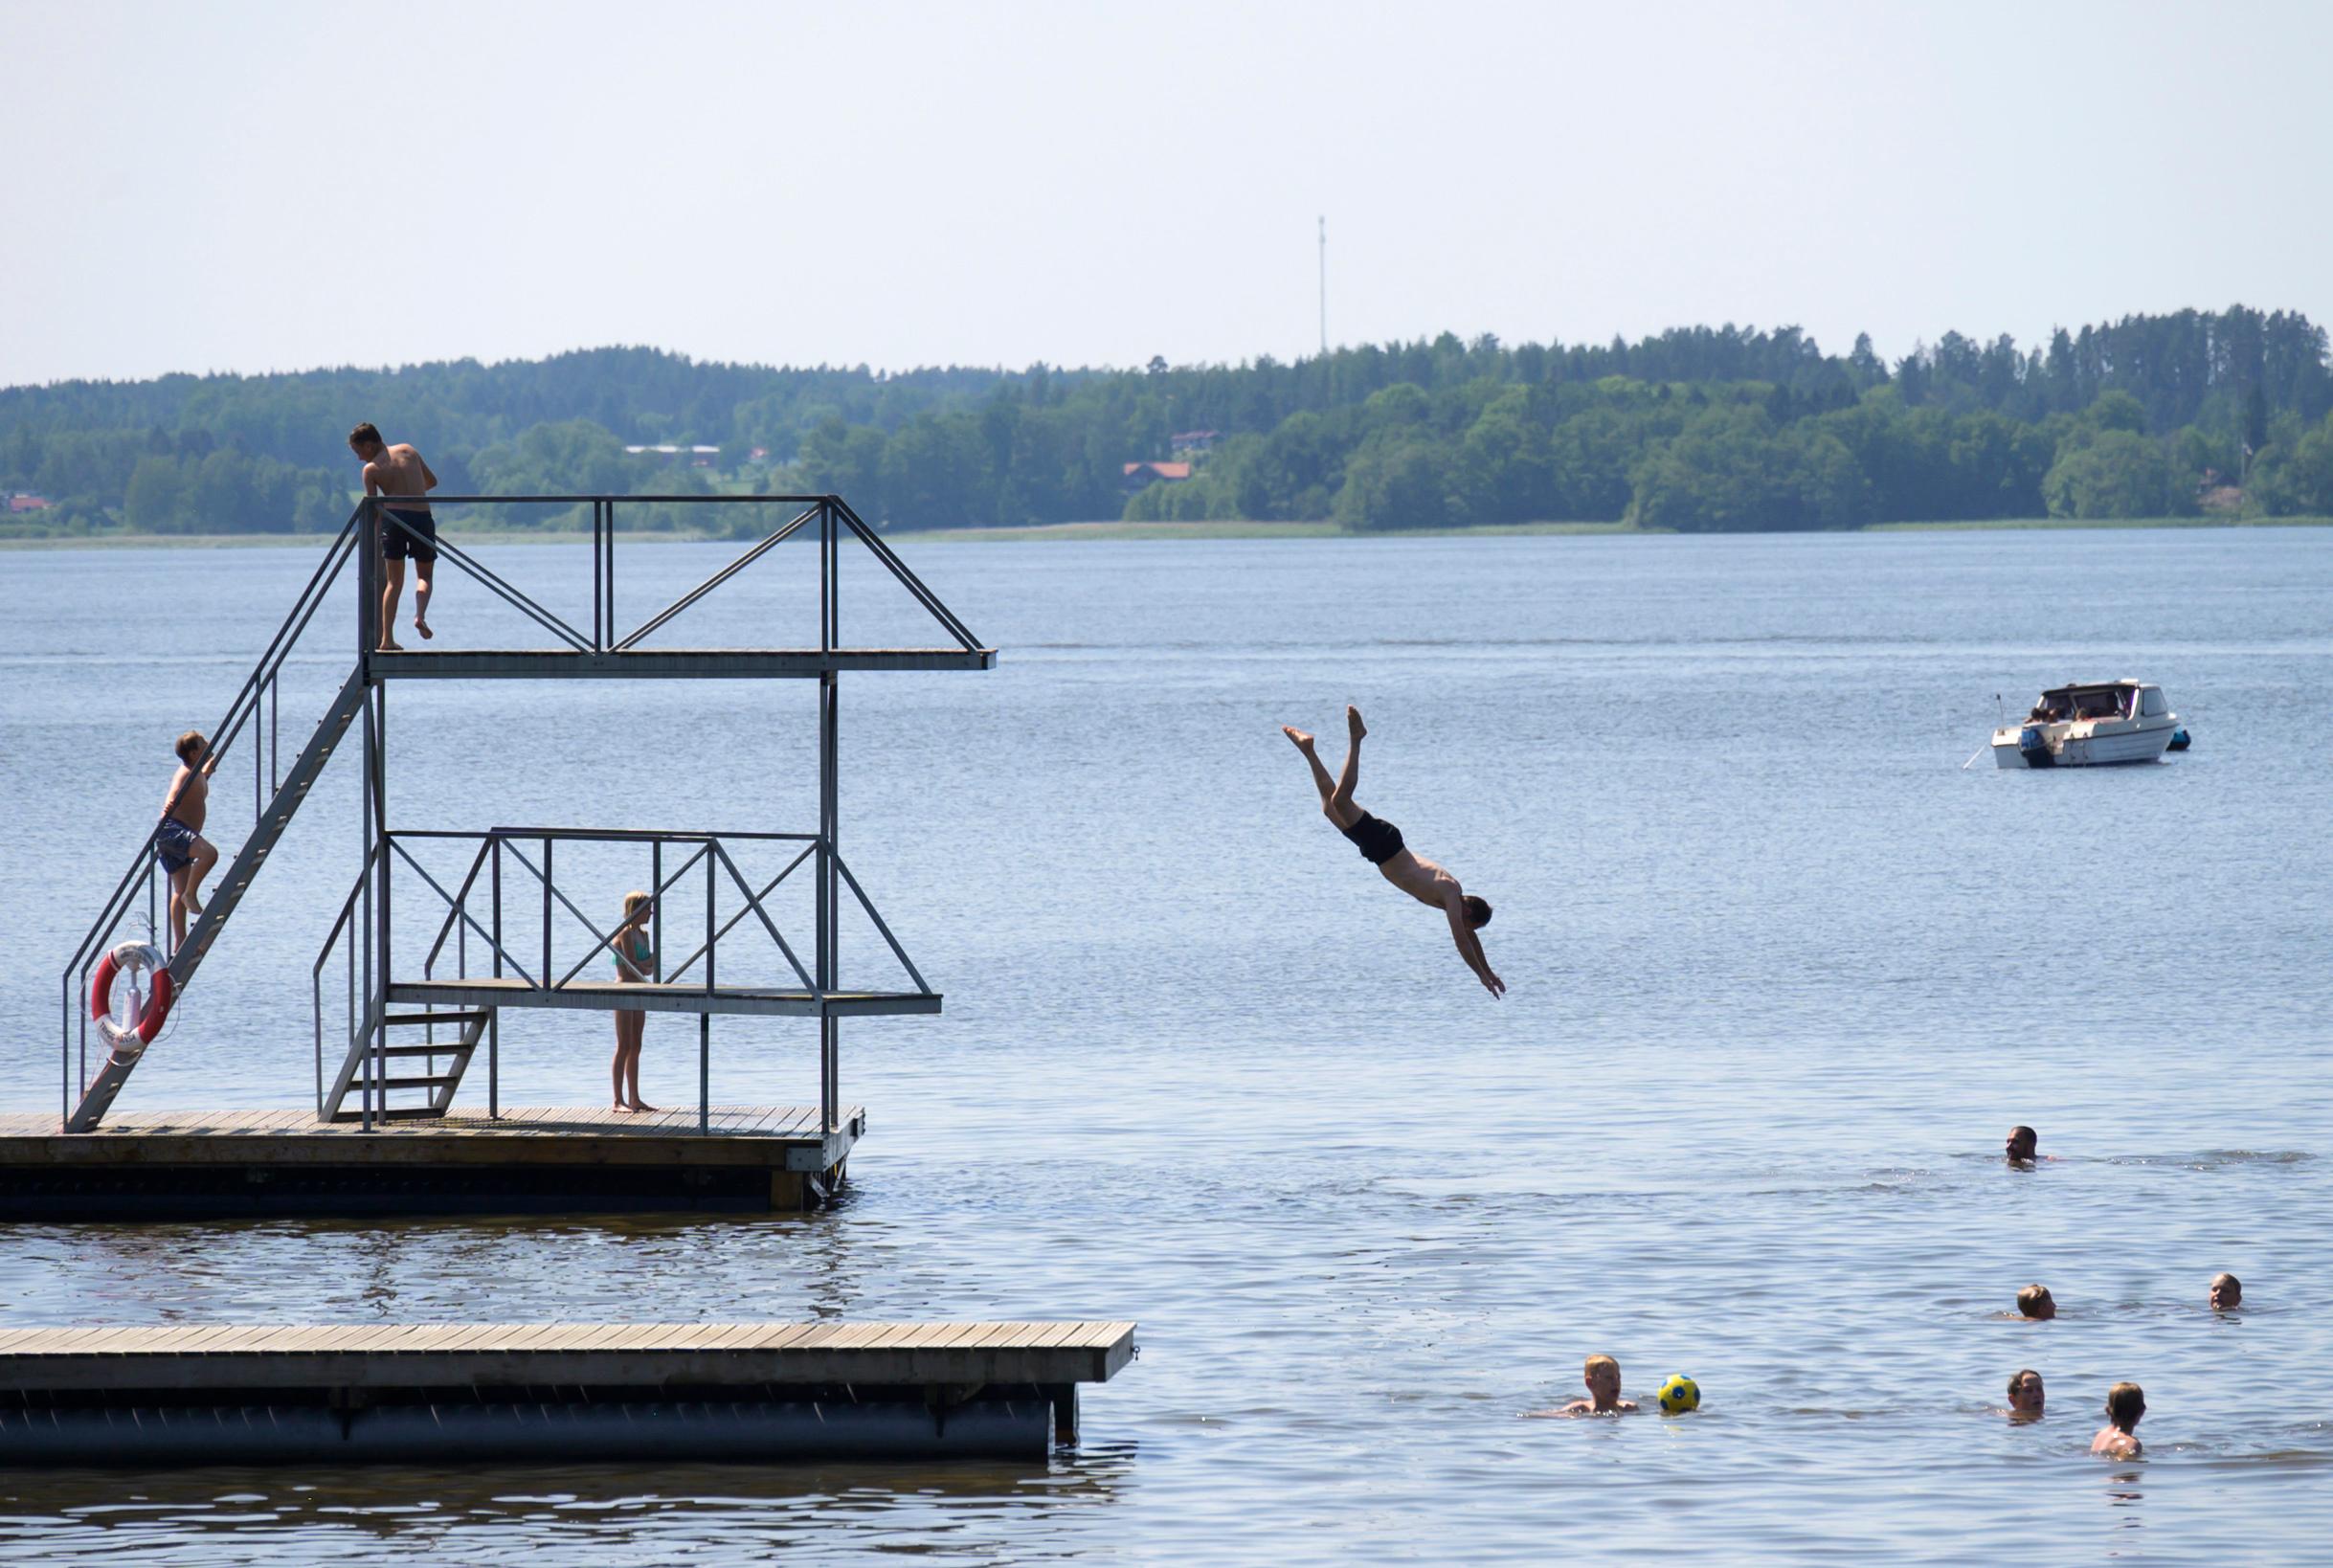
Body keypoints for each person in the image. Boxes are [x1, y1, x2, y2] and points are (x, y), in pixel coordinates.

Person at [1282, 706, 1502, 997]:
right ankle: (1357, 738)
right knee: (1341, 799)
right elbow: (1461, 940)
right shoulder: (1450, 892)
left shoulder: (1451, 902)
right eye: (1469, 922)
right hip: (1387, 846)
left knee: (1330, 808)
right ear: (1469, 910)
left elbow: (1470, 938)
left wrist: (1489, 971)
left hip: (1379, 852)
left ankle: (1308, 749)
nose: (1465, 926)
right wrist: (1480, 978)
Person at [348, 421, 440, 650]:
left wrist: (372, 537)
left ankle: (387, 639)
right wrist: (412, 492)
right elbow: (431, 482)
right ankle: (420, 615)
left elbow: (374, 508)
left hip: (395, 520)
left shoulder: (371, 469)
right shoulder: (408, 450)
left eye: (359, 452)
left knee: (393, 581)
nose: (359, 458)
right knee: (425, 577)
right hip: (422, 517)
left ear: (369, 445)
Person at [157, 730, 220, 949]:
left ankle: (180, 940)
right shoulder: (185, 773)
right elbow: (176, 791)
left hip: (174, 833)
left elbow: (200, 778)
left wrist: (208, 770)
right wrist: (169, 804)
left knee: (179, 889)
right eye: (203, 743)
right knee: (209, 854)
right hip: (173, 830)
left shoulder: (197, 773)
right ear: (194, 754)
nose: (208, 743)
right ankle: (190, 895)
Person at [609, 891, 657, 1112]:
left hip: (640, 989)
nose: (651, 912)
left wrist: (645, 965)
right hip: (624, 989)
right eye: (647, 908)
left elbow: (650, 964)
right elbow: (632, 966)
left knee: (636, 1044)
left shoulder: (644, 935)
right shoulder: (625, 934)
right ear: (636, 909)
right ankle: (618, 1100)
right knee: (624, 1044)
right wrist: (645, 965)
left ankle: (635, 1097)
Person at [1531, 1354, 1638, 1417]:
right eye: (1609, 1378)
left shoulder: (1629, 1408)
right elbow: (1548, 1415)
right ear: (1590, 1383)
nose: (1616, 1382)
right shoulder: (1580, 1409)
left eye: (1618, 1377)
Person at [2091, 1382, 2144, 1458]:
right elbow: (2122, 1467)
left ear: (2107, 1410)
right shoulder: (2131, 1444)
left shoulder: (2101, 1434)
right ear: (2142, 1411)